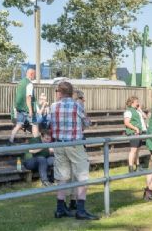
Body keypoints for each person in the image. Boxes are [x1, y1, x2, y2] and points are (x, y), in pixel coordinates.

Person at [49, 81, 99, 220]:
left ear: (60, 92)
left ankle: (60, 209)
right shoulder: (77, 105)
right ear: (71, 92)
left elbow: (48, 124)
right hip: (74, 144)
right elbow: (87, 123)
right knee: (82, 175)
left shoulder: (53, 106)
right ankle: (80, 210)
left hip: (59, 144)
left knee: (62, 176)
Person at [9, 68, 38, 144]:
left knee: (18, 125)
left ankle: (10, 140)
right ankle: (37, 142)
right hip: (27, 108)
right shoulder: (29, 83)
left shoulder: (20, 82)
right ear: (31, 74)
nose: (34, 76)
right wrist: (30, 110)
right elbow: (28, 97)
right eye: (34, 74)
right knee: (34, 124)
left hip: (19, 107)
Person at [124, 96, 145, 173]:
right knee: (133, 150)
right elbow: (126, 122)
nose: (138, 103)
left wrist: (140, 109)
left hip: (138, 133)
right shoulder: (128, 111)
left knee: (137, 150)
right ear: (132, 102)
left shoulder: (136, 111)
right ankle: (130, 167)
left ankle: (138, 166)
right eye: (136, 102)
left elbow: (145, 117)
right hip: (133, 133)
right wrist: (135, 128)